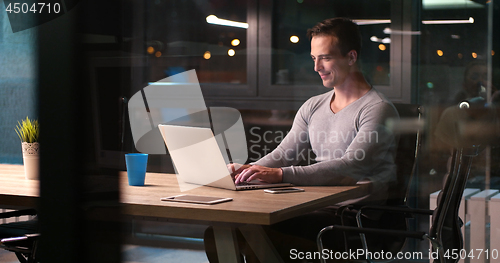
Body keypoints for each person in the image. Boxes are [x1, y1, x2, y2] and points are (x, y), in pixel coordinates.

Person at [205, 17, 400, 262]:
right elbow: (284, 153)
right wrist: (249, 170)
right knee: (221, 232)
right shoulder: (313, 106)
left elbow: (350, 167)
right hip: (314, 205)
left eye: (325, 57)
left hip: (352, 217)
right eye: (313, 58)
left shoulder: (377, 109)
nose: (316, 67)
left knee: (254, 232)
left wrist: (280, 175)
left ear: (351, 57)